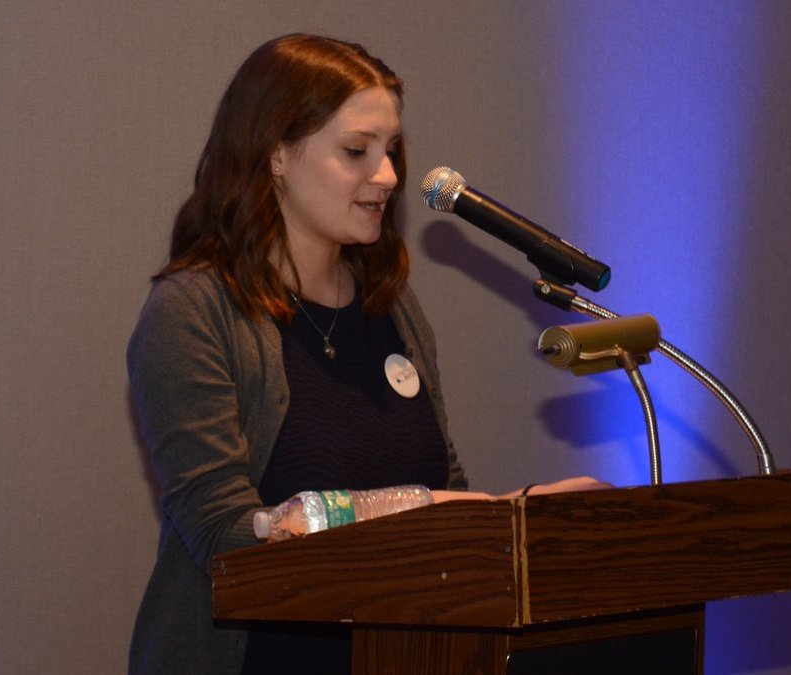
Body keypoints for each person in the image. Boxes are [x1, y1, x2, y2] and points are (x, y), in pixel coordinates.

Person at [127, 33, 605, 674]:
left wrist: (520, 514)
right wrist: (425, 508)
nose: (388, 177)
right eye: (357, 151)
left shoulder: (392, 307)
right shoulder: (193, 311)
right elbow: (225, 535)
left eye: (391, 151)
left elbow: (446, 498)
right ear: (275, 153)